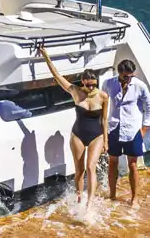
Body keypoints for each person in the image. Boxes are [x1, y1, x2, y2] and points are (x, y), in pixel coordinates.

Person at [39, 46, 109, 207]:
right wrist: (46, 56)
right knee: (79, 171)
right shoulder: (75, 91)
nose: (91, 88)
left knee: (91, 167)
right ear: (83, 82)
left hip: (97, 135)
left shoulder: (103, 96)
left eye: (94, 85)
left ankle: (89, 204)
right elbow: (57, 76)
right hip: (78, 134)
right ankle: (79, 199)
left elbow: (104, 120)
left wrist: (106, 141)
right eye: (89, 85)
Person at [102, 59, 150, 204]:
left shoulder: (140, 86)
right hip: (114, 127)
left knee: (133, 164)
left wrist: (144, 129)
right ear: (119, 73)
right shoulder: (108, 83)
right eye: (126, 76)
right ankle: (112, 195)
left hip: (133, 129)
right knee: (112, 162)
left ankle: (134, 198)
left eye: (131, 76)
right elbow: (102, 103)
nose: (129, 79)